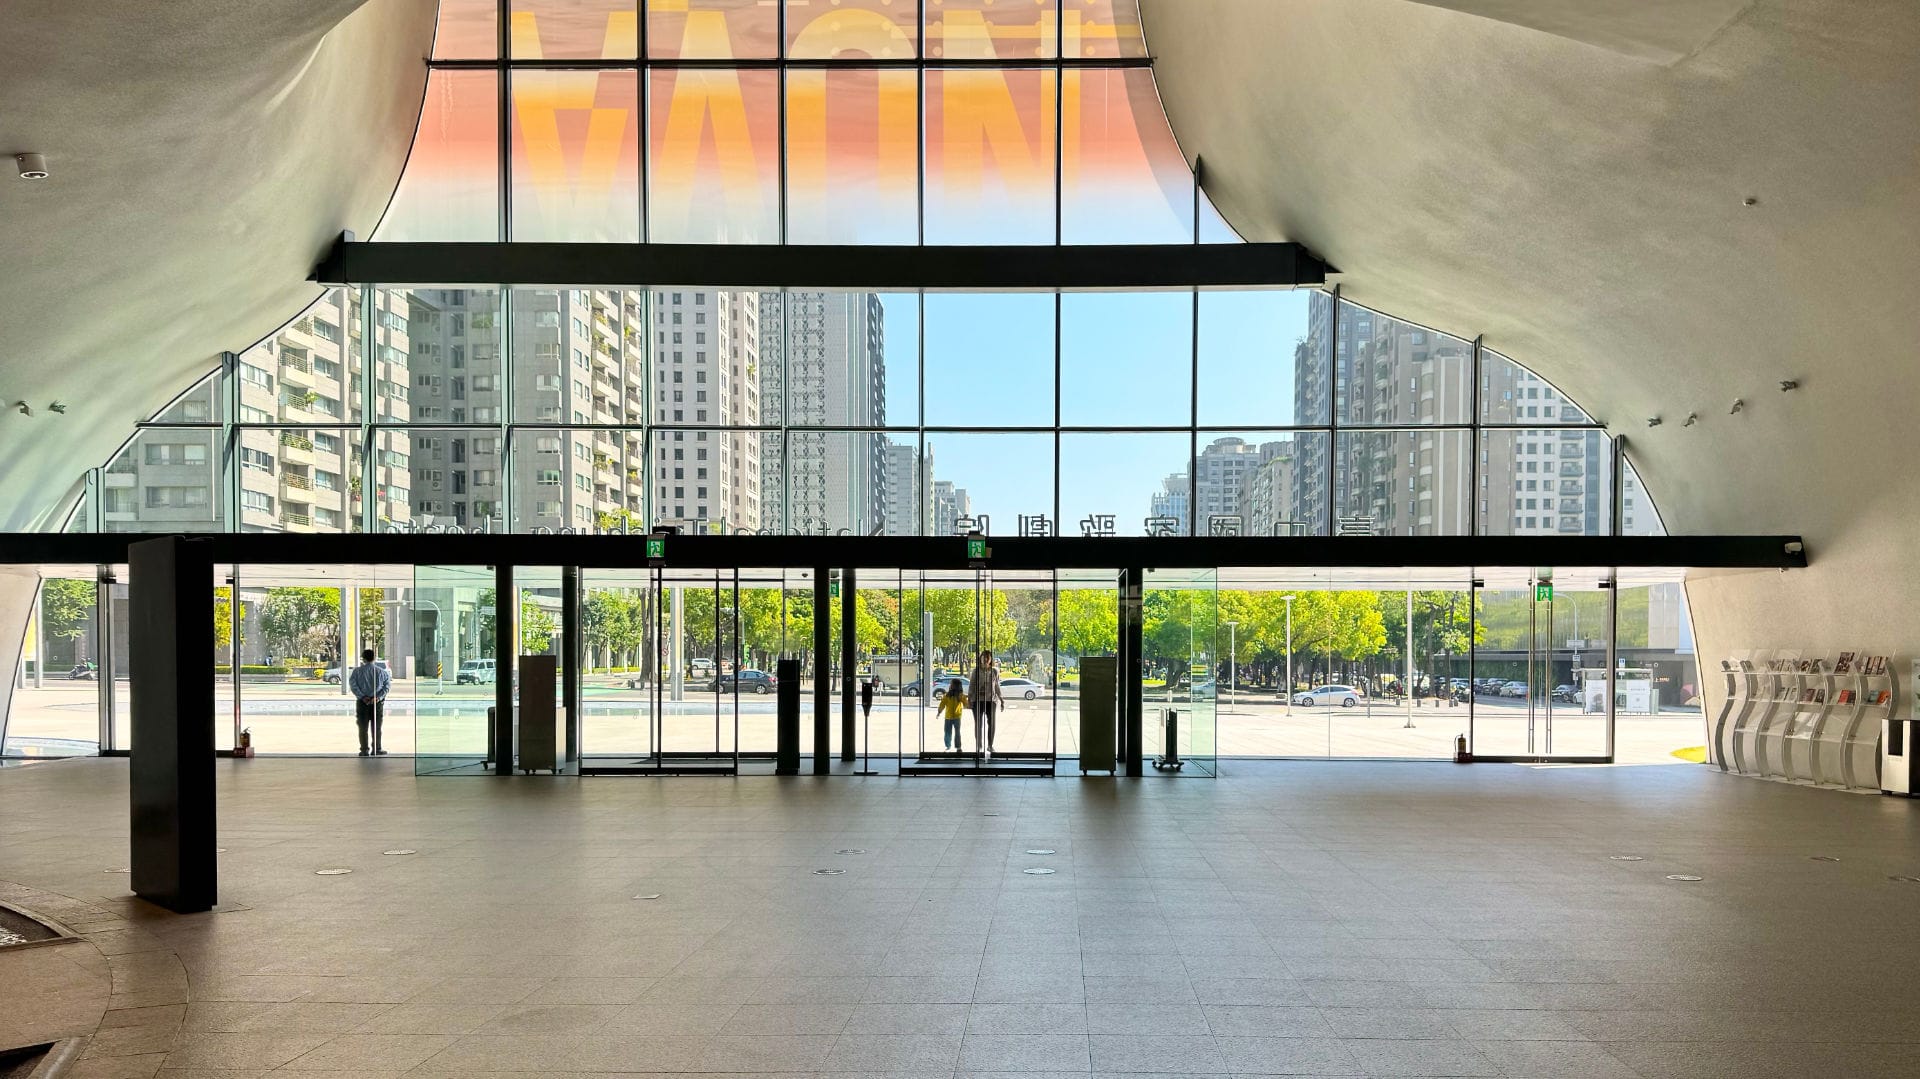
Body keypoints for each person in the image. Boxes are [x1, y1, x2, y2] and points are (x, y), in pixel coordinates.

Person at [348, 648, 391, 756]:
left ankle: (364, 750)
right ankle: (377, 749)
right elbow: (386, 687)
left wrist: (363, 697)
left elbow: (353, 686)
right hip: (377, 704)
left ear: (363, 658)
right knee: (376, 728)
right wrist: (377, 697)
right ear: (374, 658)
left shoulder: (357, 671)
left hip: (362, 703)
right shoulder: (382, 672)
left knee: (363, 727)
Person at [969, 650, 1004, 758]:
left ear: (990, 659)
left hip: (991, 700)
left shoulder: (994, 671)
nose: (985, 659)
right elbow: (972, 685)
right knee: (978, 724)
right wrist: (970, 699)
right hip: (977, 700)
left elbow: (997, 686)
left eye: (987, 658)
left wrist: (1001, 699)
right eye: (983, 657)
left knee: (992, 724)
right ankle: (979, 745)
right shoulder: (976, 671)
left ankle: (990, 745)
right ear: (980, 658)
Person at [938, 678, 966, 752]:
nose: (950, 685)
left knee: (956, 732)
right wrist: (939, 711)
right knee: (948, 732)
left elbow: (966, 703)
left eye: (951, 684)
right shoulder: (947, 695)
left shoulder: (960, 695)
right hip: (948, 717)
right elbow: (942, 704)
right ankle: (948, 746)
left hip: (957, 717)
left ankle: (958, 747)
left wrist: (969, 704)